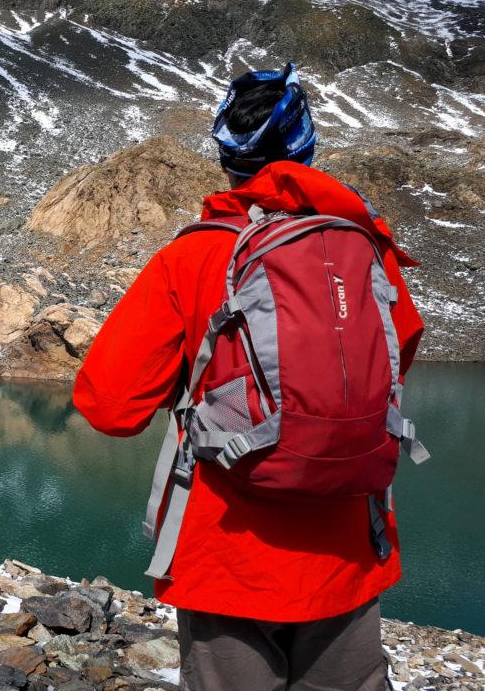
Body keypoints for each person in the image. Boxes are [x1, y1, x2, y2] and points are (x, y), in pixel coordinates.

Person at [72, 63, 424, 691]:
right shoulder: (367, 250)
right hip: (348, 546)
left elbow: (111, 406)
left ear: (225, 156)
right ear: (307, 151)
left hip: (228, 553)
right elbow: (393, 361)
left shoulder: (193, 255)